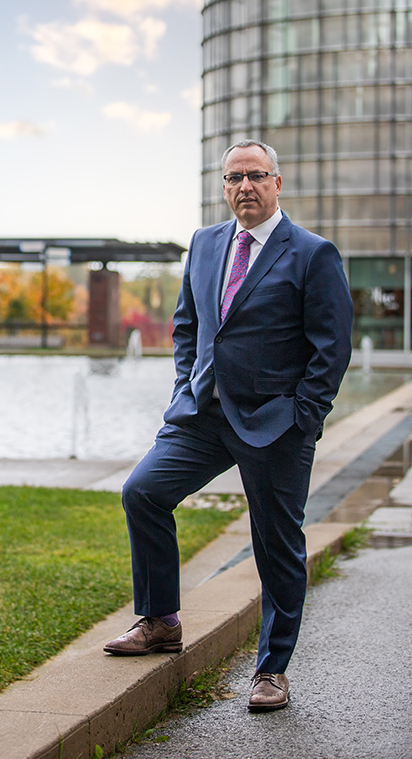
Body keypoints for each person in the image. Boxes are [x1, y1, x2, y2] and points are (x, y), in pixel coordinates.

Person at [104, 139, 353, 712]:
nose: (245, 186)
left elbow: (331, 349)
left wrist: (303, 419)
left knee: (277, 545)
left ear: (277, 183)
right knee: (143, 492)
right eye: (234, 178)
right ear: (223, 186)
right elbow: (188, 326)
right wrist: (184, 388)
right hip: (203, 416)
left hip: (275, 424)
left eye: (256, 176)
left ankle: (272, 669)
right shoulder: (205, 243)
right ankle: (161, 621)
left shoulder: (313, 253)